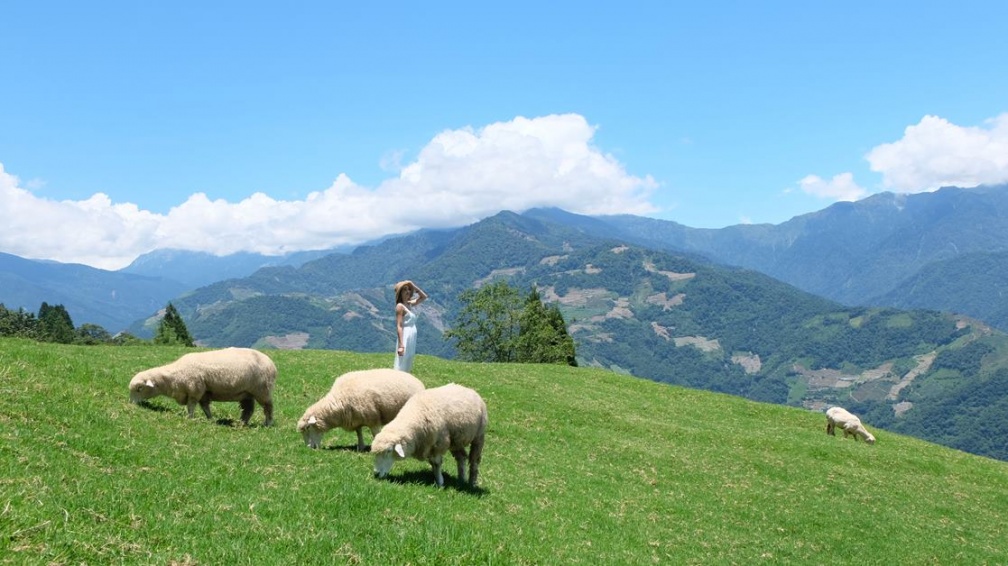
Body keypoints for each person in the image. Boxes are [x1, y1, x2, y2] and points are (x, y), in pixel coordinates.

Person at [393, 280, 428, 372]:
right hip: (405, 335)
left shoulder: (409, 304)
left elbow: (424, 297)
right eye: (405, 289)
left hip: (411, 335)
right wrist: (401, 345)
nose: (408, 291)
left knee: (409, 358)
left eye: (409, 289)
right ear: (400, 292)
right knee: (403, 360)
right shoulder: (400, 306)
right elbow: (399, 325)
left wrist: (414, 286)